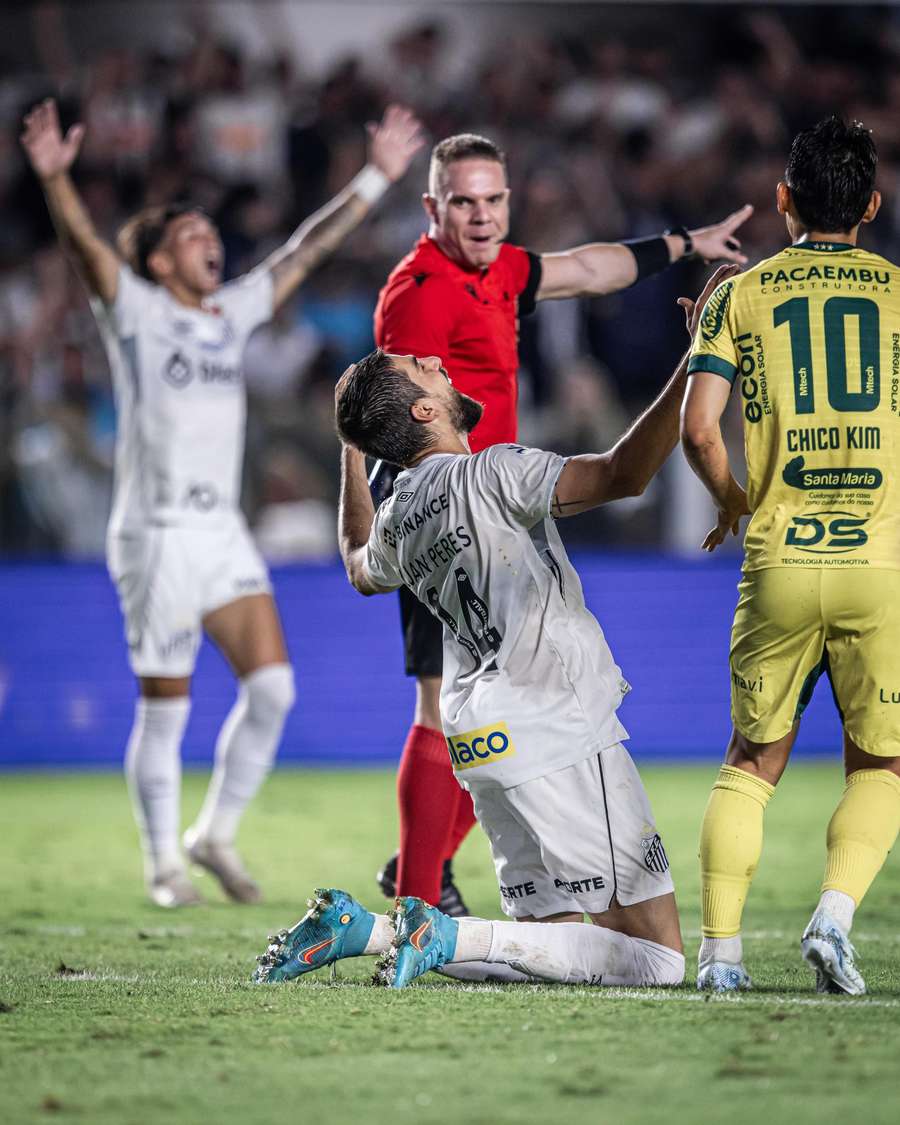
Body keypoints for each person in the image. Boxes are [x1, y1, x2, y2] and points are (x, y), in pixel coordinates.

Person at [251, 267, 734, 989]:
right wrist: (698, 358)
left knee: (540, 944)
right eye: (423, 369)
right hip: (557, 722)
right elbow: (624, 474)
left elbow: (356, 562)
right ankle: (436, 931)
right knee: (658, 960)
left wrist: (354, 449)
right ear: (421, 414)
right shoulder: (495, 474)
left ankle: (369, 929)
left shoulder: (398, 519)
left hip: (478, 732)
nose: (439, 364)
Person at [20, 98, 425, 907]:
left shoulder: (228, 315)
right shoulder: (134, 313)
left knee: (272, 689)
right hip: (157, 534)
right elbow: (88, 251)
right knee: (166, 707)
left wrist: (378, 175)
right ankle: (164, 864)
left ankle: (213, 833)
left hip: (220, 531)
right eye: (191, 238)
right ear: (159, 262)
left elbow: (305, 250)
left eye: (212, 234)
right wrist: (58, 182)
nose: (211, 243)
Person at [372, 130, 753, 916]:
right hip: (448, 505)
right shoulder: (417, 292)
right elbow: (401, 419)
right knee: (443, 699)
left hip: (499, 510)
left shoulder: (503, 268)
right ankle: (416, 895)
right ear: (431, 208)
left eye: (493, 200)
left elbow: (586, 268)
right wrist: (452, 504)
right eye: (463, 203)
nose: (481, 217)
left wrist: (684, 243)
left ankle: (424, 865)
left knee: (498, 698)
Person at [681, 116, 900, 994]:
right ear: (874, 206)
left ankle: (721, 957)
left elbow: (699, 430)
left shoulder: (740, 294)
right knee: (881, 764)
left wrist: (736, 501)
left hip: (778, 553)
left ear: (783, 201)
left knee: (751, 760)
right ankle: (833, 919)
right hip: (879, 564)